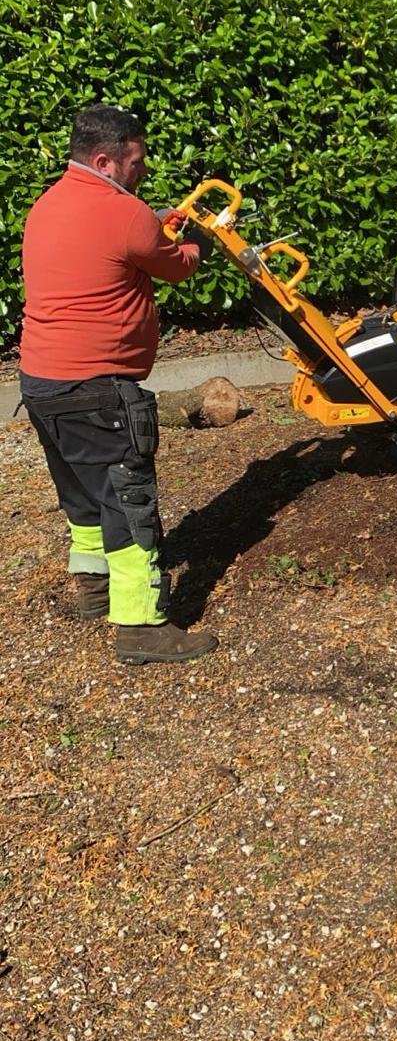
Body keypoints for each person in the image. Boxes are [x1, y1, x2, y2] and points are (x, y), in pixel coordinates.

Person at [19, 104, 218, 665]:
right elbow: (175, 265)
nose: (144, 168)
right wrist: (195, 242)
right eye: (136, 160)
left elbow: (114, 241)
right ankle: (140, 627)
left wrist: (150, 223)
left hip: (42, 382)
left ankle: (92, 588)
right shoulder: (126, 217)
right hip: (97, 386)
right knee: (129, 502)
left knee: (82, 493)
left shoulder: (49, 204)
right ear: (104, 160)